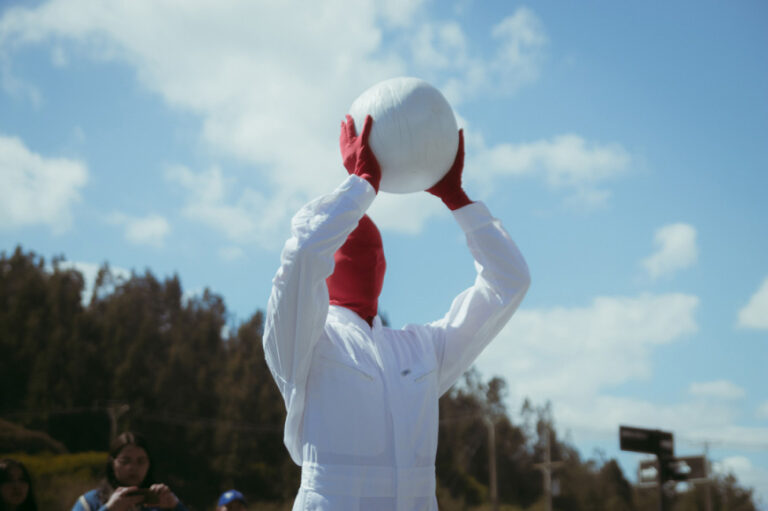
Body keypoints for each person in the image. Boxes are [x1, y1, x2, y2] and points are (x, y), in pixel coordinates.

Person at [263, 114, 531, 510]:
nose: (372, 263)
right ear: (327, 267)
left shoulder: (421, 348)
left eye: (378, 254)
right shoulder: (306, 342)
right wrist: (360, 186)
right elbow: (302, 256)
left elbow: (509, 281)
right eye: (355, 253)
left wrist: (458, 200)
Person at [71, 432, 188, 511]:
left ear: (149, 464)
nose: (133, 467)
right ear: (112, 463)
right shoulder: (90, 503)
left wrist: (176, 506)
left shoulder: (162, 501)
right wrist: (110, 509)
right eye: (125, 461)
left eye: (141, 461)